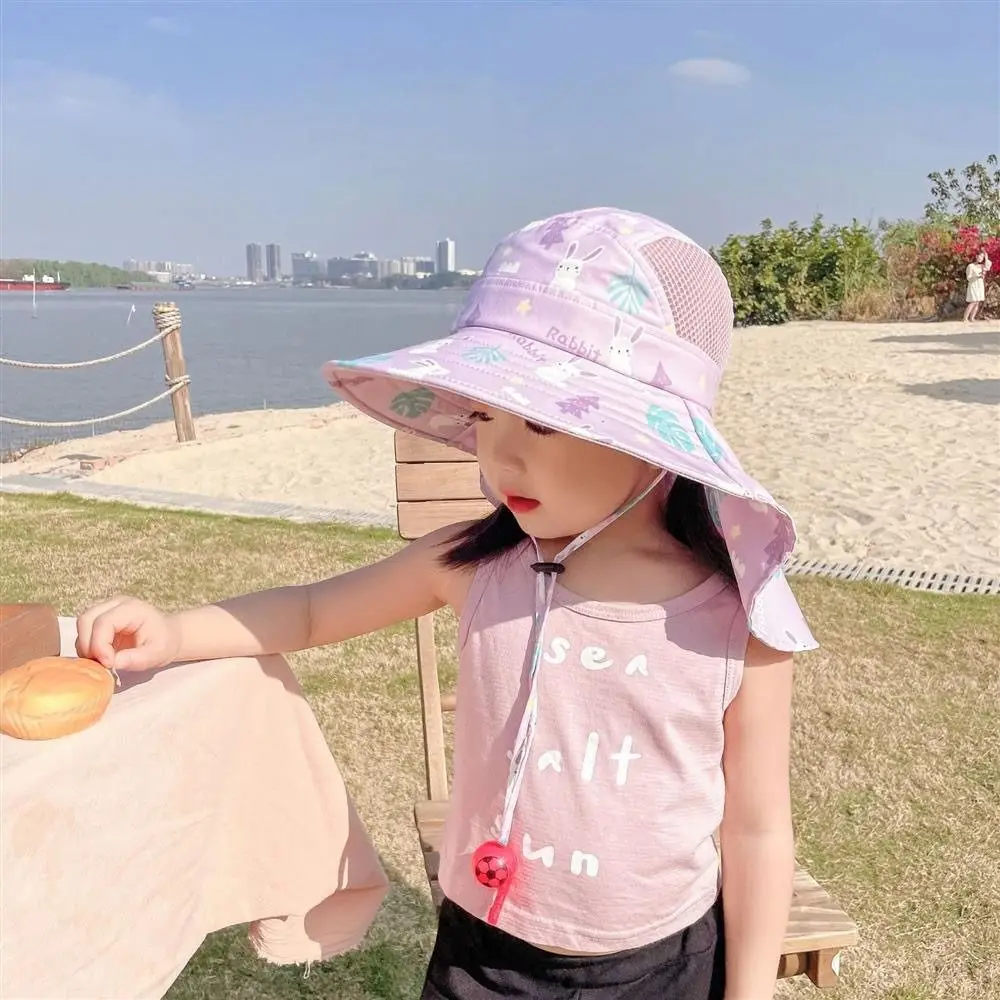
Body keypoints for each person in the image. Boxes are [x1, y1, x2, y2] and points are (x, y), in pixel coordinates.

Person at [75, 209, 818, 1000]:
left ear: (654, 441)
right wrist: (174, 631)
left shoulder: (740, 615)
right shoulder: (473, 564)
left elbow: (758, 828)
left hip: (662, 964)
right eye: (487, 416)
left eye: (543, 421)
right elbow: (311, 613)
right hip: (485, 954)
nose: (500, 456)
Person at [964, 249, 992, 321]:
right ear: (976, 256)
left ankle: (972, 318)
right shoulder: (971, 266)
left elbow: (988, 265)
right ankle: (965, 318)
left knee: (978, 301)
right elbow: (968, 277)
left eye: (982, 257)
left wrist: (986, 257)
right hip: (973, 284)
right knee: (973, 301)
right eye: (980, 256)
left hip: (980, 285)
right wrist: (976, 276)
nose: (981, 258)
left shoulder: (982, 266)